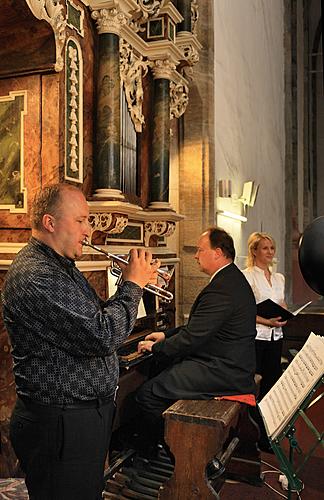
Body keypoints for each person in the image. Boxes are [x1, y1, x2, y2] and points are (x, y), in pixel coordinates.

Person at [1, 183, 158, 500]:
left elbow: (95, 319)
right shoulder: (36, 274)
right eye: (81, 220)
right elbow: (102, 336)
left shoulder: (62, 267)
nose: (89, 230)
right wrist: (132, 286)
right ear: (50, 222)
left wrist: (132, 282)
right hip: (60, 424)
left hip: (79, 419)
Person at [132, 227, 257, 457]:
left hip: (222, 370)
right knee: (163, 369)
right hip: (227, 362)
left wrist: (157, 347)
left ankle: (175, 454)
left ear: (217, 253)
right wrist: (166, 336)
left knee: (147, 394)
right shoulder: (230, 280)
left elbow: (193, 337)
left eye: (200, 250)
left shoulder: (223, 288)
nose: (196, 255)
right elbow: (199, 327)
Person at [242, 231, 287, 451]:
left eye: (272, 248)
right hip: (257, 337)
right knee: (255, 386)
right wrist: (266, 321)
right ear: (254, 251)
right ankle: (255, 434)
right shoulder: (248, 276)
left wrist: (285, 314)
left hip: (276, 338)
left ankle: (269, 431)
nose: (270, 252)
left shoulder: (279, 278)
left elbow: (282, 304)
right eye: (265, 248)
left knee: (271, 386)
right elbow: (244, 310)